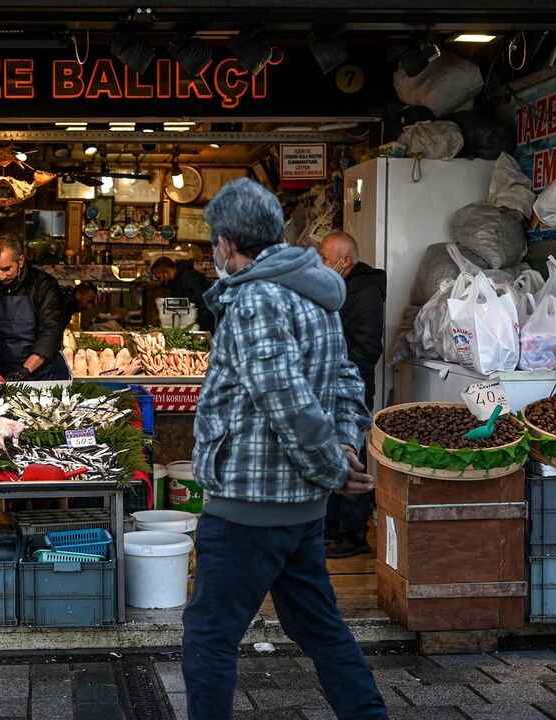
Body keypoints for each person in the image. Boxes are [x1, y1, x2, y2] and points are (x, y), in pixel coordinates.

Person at [180, 179, 386, 720]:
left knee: (209, 635)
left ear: (226, 244)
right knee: (316, 626)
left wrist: (333, 467)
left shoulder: (255, 299)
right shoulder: (312, 290)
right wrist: (342, 444)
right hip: (300, 508)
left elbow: (285, 399)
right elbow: (346, 378)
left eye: (213, 245)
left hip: (251, 504)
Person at [319, 231, 387, 559]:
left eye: (324, 259)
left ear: (345, 262)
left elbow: (367, 347)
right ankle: (329, 530)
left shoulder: (365, 292)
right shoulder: (337, 288)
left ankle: (353, 533)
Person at [0, 235, 69, 381]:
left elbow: (50, 332)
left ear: (20, 261)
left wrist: (26, 369)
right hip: (5, 373)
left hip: (46, 375)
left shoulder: (44, 286)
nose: (1, 276)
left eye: (6, 269)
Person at [150, 255, 216, 333]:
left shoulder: (189, 280)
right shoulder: (178, 282)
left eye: (158, 278)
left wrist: (201, 333)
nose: (159, 282)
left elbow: (205, 307)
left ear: (166, 272)